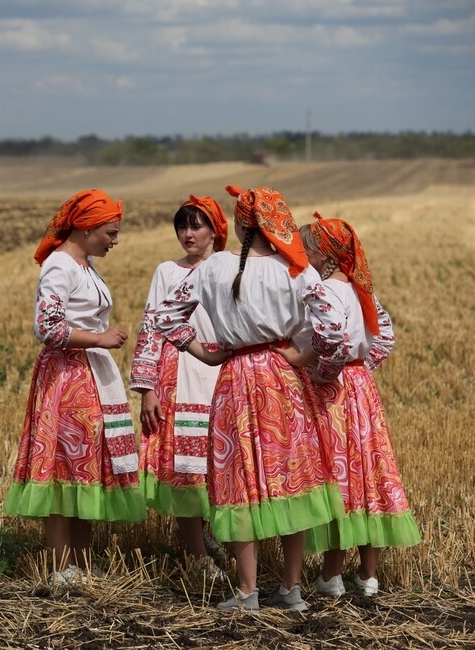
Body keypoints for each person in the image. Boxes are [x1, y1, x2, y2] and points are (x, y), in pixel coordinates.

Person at [152, 185, 350, 612]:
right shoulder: (297, 269)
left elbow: (163, 317)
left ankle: (246, 592)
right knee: (291, 479)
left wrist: (205, 352)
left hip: (235, 378)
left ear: (241, 224)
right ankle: (291, 589)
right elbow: (336, 331)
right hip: (283, 379)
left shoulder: (213, 268)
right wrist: (303, 356)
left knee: (239, 482)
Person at [2, 189, 147, 589]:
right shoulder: (60, 266)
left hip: (89, 377)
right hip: (68, 380)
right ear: (86, 228)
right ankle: (60, 566)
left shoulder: (83, 264)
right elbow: (46, 327)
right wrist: (99, 339)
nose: (115, 240)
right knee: (64, 466)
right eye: (110, 232)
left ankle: (80, 564)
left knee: (87, 468)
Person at [277, 214, 421, 597]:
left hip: (335, 393)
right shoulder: (362, 291)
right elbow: (385, 337)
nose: (301, 255)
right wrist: (360, 369)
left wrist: (313, 367)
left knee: (339, 478)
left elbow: (332, 339)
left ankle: (331, 576)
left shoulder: (325, 291)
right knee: (369, 475)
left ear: (323, 255)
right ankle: (368, 576)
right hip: (361, 389)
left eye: (306, 249)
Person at [129, 196, 229, 579]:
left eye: (197, 225)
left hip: (222, 372)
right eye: (182, 226)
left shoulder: (229, 267)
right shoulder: (166, 272)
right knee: (186, 469)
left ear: (215, 230)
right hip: (180, 374)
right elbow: (152, 328)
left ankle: (213, 533)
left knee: (219, 465)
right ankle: (197, 554)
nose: (188, 234)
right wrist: (148, 389)